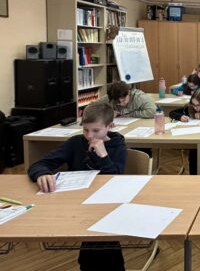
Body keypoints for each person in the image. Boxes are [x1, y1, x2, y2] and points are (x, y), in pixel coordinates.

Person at [28, 103, 127, 271]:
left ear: (110, 126)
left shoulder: (117, 145)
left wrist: (103, 156)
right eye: (85, 130)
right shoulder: (75, 143)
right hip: (77, 202)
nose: (89, 136)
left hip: (107, 203)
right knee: (94, 241)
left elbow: (115, 179)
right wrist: (42, 173)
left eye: (95, 130)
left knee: (102, 239)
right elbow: (39, 164)